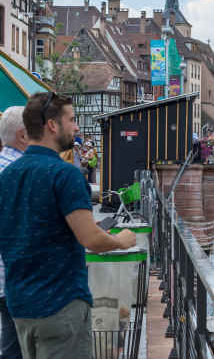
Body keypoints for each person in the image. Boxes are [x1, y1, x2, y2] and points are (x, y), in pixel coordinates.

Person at [0, 92, 136, 359]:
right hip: (60, 303)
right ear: (52, 125)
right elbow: (91, 239)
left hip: (21, 304)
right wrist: (121, 240)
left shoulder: (8, 175)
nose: (76, 128)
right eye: (72, 120)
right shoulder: (66, 174)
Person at [0, 107, 30, 359]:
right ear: (22, 136)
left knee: (11, 345)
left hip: (4, 277)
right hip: (19, 276)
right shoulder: (25, 172)